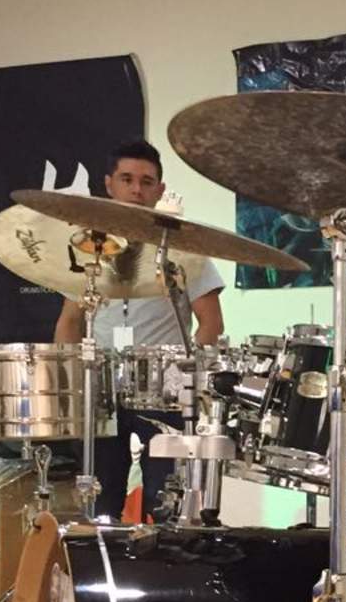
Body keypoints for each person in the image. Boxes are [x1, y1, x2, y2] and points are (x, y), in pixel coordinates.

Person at [54, 139, 225, 518]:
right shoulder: (88, 247)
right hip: (102, 391)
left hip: (164, 393)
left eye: (147, 182)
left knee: (166, 503)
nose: (136, 190)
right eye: (127, 179)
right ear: (108, 184)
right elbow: (69, 321)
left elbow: (211, 322)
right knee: (100, 504)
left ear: (160, 190)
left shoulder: (184, 247)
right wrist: (71, 385)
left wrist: (183, 382)